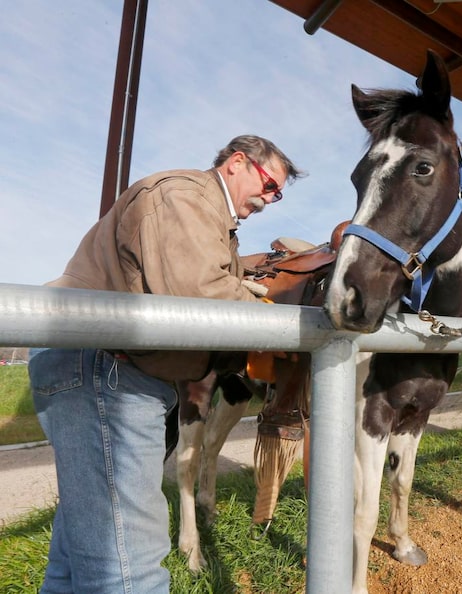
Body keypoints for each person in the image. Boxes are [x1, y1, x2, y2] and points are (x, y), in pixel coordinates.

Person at [27, 135, 304, 593]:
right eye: (270, 184)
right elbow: (202, 293)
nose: (272, 198)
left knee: (82, 550)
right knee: (127, 562)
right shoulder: (183, 196)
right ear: (238, 162)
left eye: (279, 194)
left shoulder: (212, 219)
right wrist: (285, 329)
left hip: (103, 364)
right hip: (106, 368)